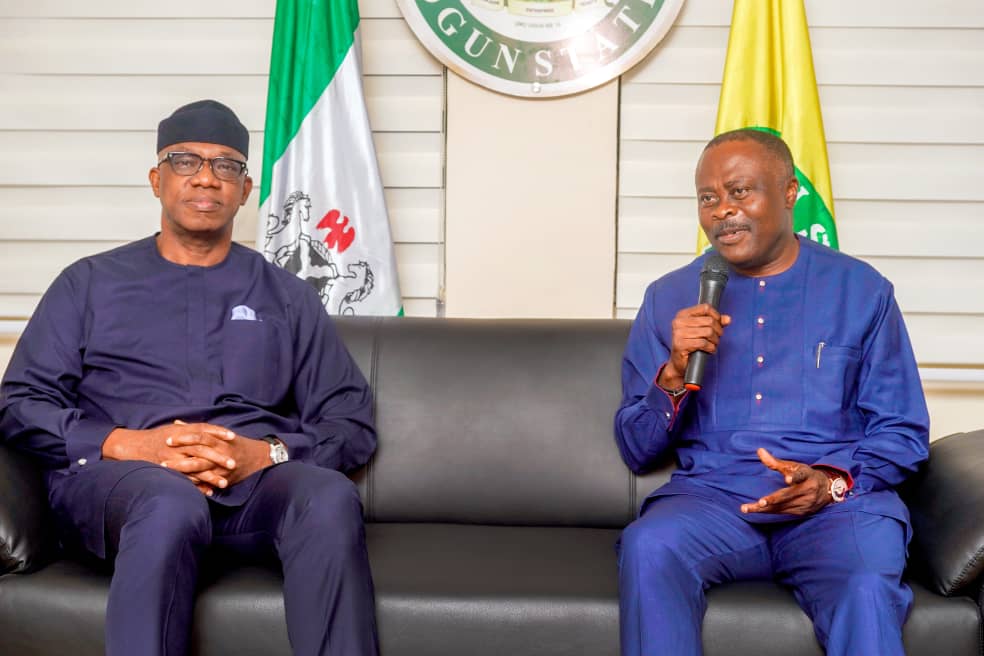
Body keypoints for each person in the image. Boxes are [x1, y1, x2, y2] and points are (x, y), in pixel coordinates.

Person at [0, 100, 379, 656]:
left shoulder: (289, 297)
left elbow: (350, 420)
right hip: (121, 484)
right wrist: (131, 444)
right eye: (185, 161)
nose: (206, 177)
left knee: (327, 496)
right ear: (157, 180)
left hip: (249, 488)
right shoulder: (88, 284)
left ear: (245, 190)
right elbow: (20, 404)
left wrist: (266, 453)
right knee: (168, 501)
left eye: (226, 165)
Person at [614, 128, 929, 655]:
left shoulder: (862, 290)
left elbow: (902, 431)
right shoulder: (669, 297)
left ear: (789, 193)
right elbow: (637, 448)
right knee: (649, 547)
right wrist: (672, 374)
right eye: (708, 197)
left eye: (740, 191)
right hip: (712, 503)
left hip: (836, 509)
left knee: (865, 584)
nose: (722, 210)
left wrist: (829, 483)